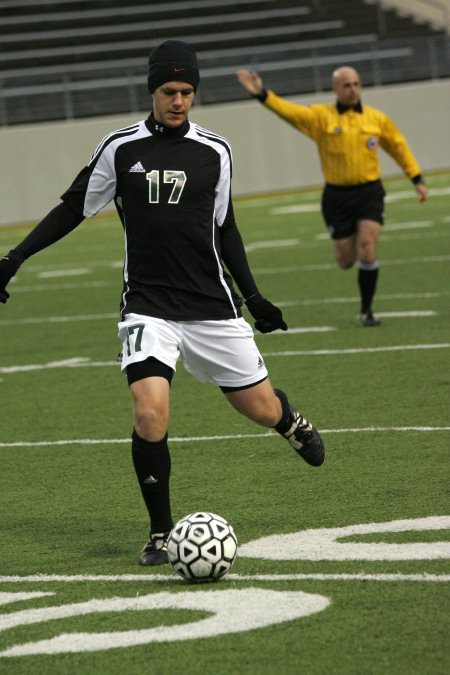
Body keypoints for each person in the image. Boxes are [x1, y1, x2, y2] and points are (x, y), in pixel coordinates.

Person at [0, 40, 325, 567]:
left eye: (188, 92)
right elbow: (72, 209)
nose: (179, 101)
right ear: (152, 89)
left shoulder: (214, 151)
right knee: (149, 411)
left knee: (258, 408)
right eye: (170, 91)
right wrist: (14, 258)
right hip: (147, 305)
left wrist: (255, 296)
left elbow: (226, 228)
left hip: (211, 306)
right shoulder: (120, 149)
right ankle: (159, 533)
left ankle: (289, 421)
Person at [236, 66, 428, 326]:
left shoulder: (376, 119)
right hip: (336, 198)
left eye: (356, 84)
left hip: (369, 192)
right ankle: (356, 278)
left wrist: (416, 178)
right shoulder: (320, 117)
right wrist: (262, 95)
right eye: (347, 85)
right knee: (346, 260)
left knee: (368, 247)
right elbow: (290, 112)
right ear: (335, 89)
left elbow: (398, 146)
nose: (353, 89)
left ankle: (367, 311)